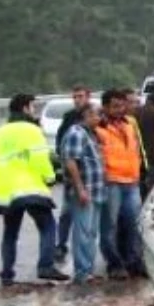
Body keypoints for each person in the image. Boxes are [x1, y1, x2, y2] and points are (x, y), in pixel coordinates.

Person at [0, 94, 69, 286]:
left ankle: (7, 273)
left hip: (7, 192)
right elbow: (40, 158)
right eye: (33, 107)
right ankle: (45, 266)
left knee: (10, 232)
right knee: (48, 226)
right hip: (30, 187)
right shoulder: (31, 130)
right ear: (25, 109)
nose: (34, 111)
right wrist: (50, 177)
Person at [96, 89, 147, 279]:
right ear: (106, 107)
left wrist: (139, 171)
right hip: (112, 183)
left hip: (131, 182)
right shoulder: (99, 128)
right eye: (115, 106)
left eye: (122, 105)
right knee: (110, 227)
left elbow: (136, 151)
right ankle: (115, 264)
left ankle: (134, 262)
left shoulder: (128, 125)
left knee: (134, 224)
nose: (120, 109)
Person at [59, 103, 106, 285]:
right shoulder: (76, 133)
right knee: (83, 233)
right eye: (96, 115)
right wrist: (80, 189)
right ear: (86, 116)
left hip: (96, 190)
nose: (99, 119)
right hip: (84, 191)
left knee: (92, 233)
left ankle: (88, 270)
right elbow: (71, 162)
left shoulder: (91, 134)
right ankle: (81, 272)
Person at [54, 85, 91, 263]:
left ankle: (87, 252)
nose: (77, 99)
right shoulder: (69, 117)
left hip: (91, 176)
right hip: (72, 174)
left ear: (88, 97)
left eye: (80, 96)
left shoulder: (94, 116)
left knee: (89, 216)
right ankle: (61, 245)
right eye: (75, 97)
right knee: (66, 212)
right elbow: (60, 142)